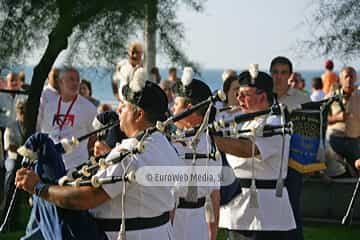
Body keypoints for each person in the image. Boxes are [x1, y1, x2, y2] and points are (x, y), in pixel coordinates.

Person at [15, 74, 180, 240]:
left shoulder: (131, 152)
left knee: (50, 199)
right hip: (161, 233)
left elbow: (86, 198)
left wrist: (38, 187)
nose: (119, 110)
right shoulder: (166, 147)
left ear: (139, 115)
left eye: (124, 106)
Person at [215, 69, 295, 240]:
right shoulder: (246, 121)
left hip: (265, 212)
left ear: (262, 96)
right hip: (240, 208)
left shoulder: (275, 123)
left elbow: (247, 149)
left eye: (245, 94)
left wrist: (212, 140)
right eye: (238, 94)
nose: (239, 99)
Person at [171, 67, 221, 240]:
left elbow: (214, 195)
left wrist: (212, 234)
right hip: (177, 221)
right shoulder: (170, 141)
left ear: (189, 109)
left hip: (196, 220)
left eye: (176, 104)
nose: (172, 109)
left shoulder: (209, 144)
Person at [270, 56, 310, 240]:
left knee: (292, 210)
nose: (279, 77)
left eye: (283, 72)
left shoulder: (302, 98)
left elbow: (311, 132)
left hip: (293, 163)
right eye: (275, 72)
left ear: (289, 75)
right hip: (267, 164)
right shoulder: (261, 97)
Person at [36, 66, 97, 170]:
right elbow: (45, 134)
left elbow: (94, 137)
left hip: (77, 165)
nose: (75, 83)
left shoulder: (88, 108)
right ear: (60, 82)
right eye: (71, 79)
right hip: (52, 164)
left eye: (78, 80)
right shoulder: (50, 107)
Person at [328, 67, 360, 173]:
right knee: (336, 172)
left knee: (356, 171)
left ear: (356, 78)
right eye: (346, 76)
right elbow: (321, 118)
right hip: (335, 140)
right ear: (340, 79)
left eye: (352, 76)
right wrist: (336, 118)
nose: (349, 79)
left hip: (354, 141)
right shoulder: (332, 97)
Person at [0, 100, 26, 210]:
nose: (23, 114)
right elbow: (8, 146)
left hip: (28, 158)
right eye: (21, 111)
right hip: (13, 157)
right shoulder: (11, 126)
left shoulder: (32, 125)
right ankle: (6, 200)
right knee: (11, 170)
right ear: (17, 112)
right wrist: (22, 150)